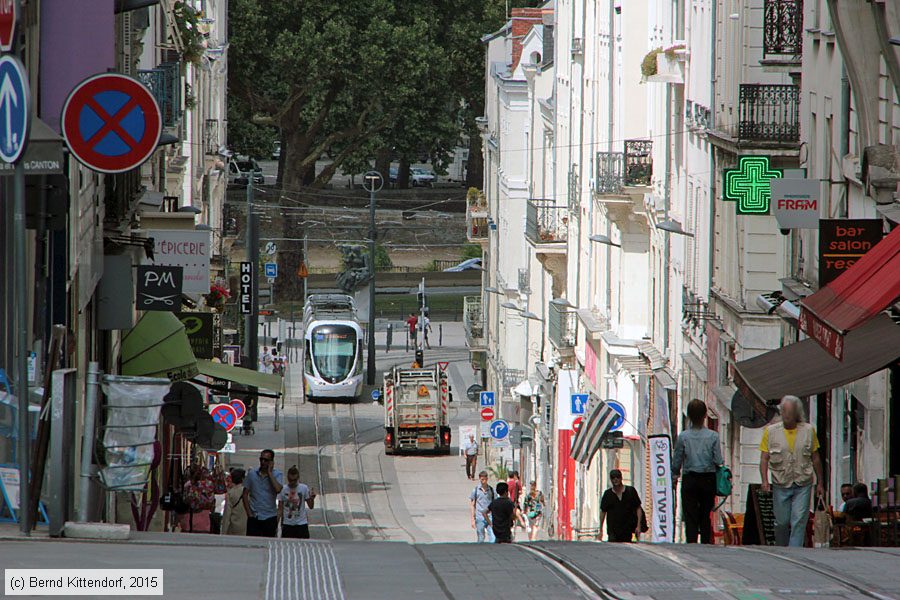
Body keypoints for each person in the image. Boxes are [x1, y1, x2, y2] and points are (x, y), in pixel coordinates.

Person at [759, 395, 825, 547]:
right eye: (784, 412)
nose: (786, 416)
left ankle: (795, 551)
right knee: (781, 522)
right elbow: (764, 458)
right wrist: (764, 480)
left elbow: (815, 458)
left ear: (797, 413)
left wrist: (820, 482)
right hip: (781, 482)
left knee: (799, 520)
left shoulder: (808, 430)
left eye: (790, 412)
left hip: (803, 482)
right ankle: (782, 548)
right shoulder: (771, 432)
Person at [672, 399, 725, 544]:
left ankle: (691, 541)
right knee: (705, 513)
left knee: (690, 514)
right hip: (708, 479)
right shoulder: (713, 436)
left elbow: (677, 459)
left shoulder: (683, 436)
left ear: (689, 415)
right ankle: (705, 542)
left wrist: (675, 474)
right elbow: (718, 460)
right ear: (705, 415)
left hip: (690, 479)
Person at [243, 449, 284, 537]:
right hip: (254, 516)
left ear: (271, 462)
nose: (263, 462)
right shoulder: (252, 474)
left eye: (266, 460)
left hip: (270, 517)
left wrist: (269, 473)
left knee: (267, 542)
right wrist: (249, 513)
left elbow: (278, 489)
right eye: (261, 459)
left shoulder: (277, 474)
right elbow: (245, 494)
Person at [598, 469, 644, 543]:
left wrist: (638, 526)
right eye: (613, 477)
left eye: (618, 477)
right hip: (613, 532)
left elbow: (638, 508)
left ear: (621, 478)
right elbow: (603, 512)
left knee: (630, 548)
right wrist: (601, 530)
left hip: (629, 530)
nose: (615, 479)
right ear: (611, 479)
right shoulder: (607, 494)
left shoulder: (630, 491)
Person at [278, 466, 316, 539]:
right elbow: (280, 509)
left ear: (298, 478)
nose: (292, 482)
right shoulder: (283, 489)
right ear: (287, 478)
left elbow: (311, 506)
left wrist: (312, 498)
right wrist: (277, 524)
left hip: (301, 524)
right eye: (290, 480)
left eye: (294, 480)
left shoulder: (304, 488)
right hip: (287, 524)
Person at [180, 465, 215, 533]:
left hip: (189, 520)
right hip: (204, 521)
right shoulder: (208, 485)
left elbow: (184, 500)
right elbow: (211, 501)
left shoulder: (188, 485)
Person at [469, 471, 495, 543]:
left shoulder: (491, 490)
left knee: (493, 537)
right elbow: (472, 505)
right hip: (479, 517)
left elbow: (494, 503)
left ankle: (492, 549)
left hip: (490, 517)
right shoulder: (476, 490)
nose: (482, 481)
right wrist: (472, 519)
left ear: (487, 479)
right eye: (481, 479)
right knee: (481, 537)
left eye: (484, 479)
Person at [221, 468, 249, 536]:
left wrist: (223, 532)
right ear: (243, 479)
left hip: (233, 528)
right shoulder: (248, 492)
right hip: (246, 527)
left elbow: (227, 514)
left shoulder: (230, 493)